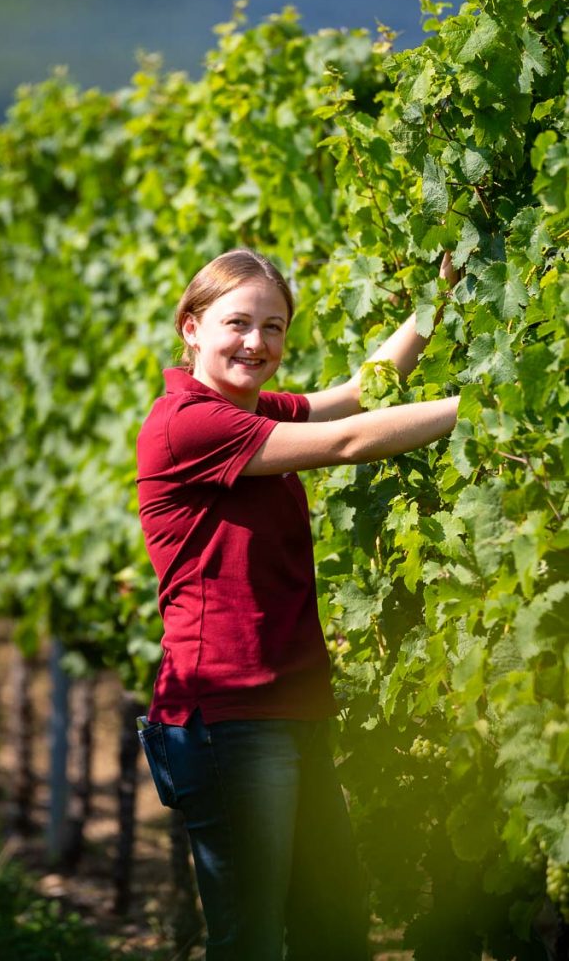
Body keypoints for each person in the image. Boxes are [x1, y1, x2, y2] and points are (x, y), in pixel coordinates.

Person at [135, 247, 459, 961]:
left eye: (273, 327)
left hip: (288, 709)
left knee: (333, 928)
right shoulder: (186, 423)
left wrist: (433, 307)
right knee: (250, 941)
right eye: (237, 323)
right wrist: (480, 408)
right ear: (190, 327)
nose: (257, 343)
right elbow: (345, 441)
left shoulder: (246, 409)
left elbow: (351, 396)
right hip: (225, 720)